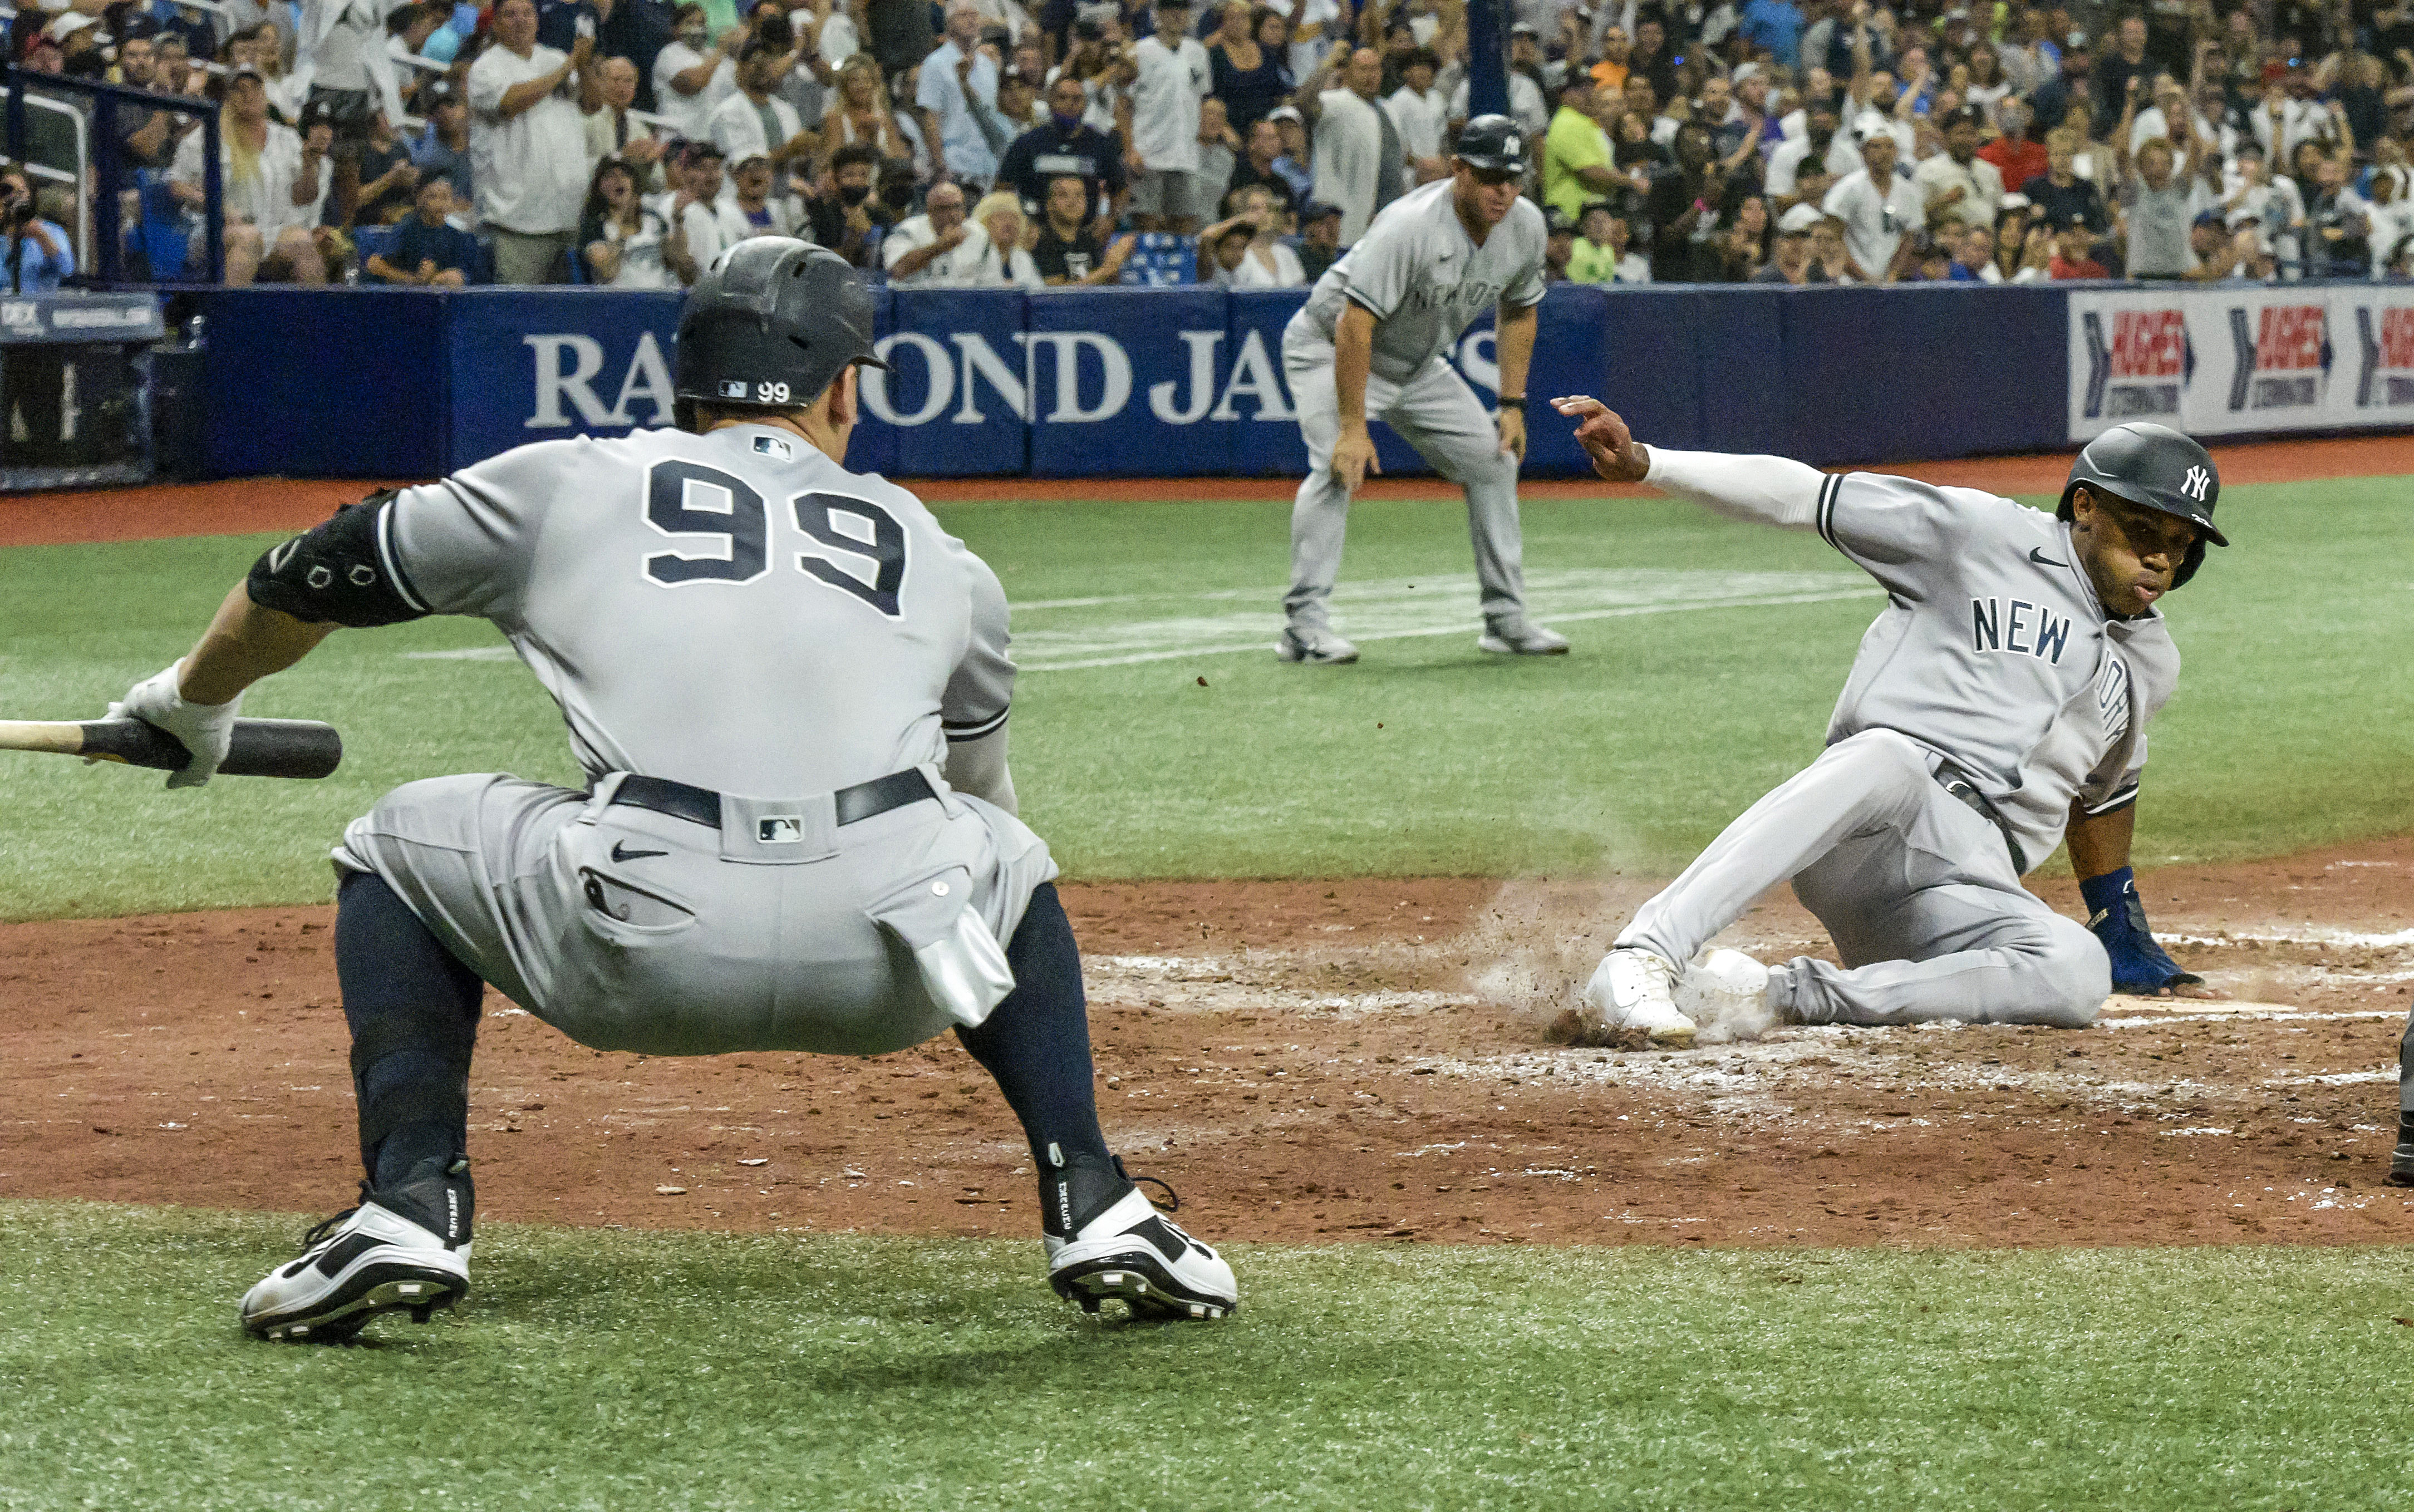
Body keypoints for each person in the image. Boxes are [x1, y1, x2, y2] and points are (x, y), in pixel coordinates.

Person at [106, 239, 1236, 1342]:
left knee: (393, 837)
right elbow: (986, 810)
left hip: (640, 941)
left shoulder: (566, 480)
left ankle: (408, 1206)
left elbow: (314, 571)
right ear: (842, 388)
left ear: (685, 382)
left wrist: (191, 700)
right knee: (1001, 848)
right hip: (887, 967)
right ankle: (1095, 1199)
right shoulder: (941, 553)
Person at [1553, 399, 2225, 1048]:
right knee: (1889, 759)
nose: (2160, 559)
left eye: (2179, 544)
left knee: (2077, 972)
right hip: (1871, 823)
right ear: (2085, 505)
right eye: (2143, 530)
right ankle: (1643, 955)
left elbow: (2105, 793)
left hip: (1965, 888)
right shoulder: (1980, 534)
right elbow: (1804, 496)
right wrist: (1650, 463)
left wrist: (2118, 928)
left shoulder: (2151, 660)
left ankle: (1769, 994)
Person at [1277, 117, 1564, 666]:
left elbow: (1519, 309)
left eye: (1512, 177)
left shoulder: (1524, 226)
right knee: (1337, 466)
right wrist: (1353, 427)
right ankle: (1302, 626)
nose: (1501, 189)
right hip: (1327, 346)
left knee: (1492, 461)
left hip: (1416, 364)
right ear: (1457, 170)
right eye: (1487, 176)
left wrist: (1511, 404)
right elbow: (1353, 324)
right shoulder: (1408, 226)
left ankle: (1504, 620)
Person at [469, 0, 593, 284]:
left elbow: (593, 104)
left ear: (537, 21)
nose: (520, 21)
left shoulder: (554, 57)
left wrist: (583, 66)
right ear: (496, 23)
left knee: (565, 319)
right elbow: (511, 102)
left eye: (527, 14)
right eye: (510, 15)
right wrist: (569, 65)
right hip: (515, 221)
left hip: (567, 214)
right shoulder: (486, 68)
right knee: (517, 314)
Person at [168, 69, 329, 287]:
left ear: (265, 95)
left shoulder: (287, 139)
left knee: (302, 240)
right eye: (240, 89)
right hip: (216, 233)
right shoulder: (206, 137)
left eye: (255, 88)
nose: (248, 94)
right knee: (248, 238)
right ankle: (228, 317)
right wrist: (218, 206)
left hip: (270, 232)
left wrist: (309, 164)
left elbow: (304, 198)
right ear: (228, 97)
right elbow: (176, 186)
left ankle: (315, 319)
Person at [1296, 46, 1400, 243]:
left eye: (1375, 69)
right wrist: (1327, 65)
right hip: (1341, 222)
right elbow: (1303, 102)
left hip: (1385, 218)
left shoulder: (1389, 109)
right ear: (1348, 72)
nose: (1370, 75)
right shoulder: (1334, 102)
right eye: (1363, 69)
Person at [1124, 0, 1213, 232]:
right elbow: (1123, 104)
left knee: (1185, 224)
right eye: (1171, 9)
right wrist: (1130, 149)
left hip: (1185, 154)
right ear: (1159, 14)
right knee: (1146, 223)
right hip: (1148, 151)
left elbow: (1201, 99)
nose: (1177, 15)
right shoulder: (1140, 51)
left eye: (1182, 9)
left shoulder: (1198, 52)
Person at [996, 75, 1129, 225]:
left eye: (1076, 99)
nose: (1070, 104)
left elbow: (1120, 189)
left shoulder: (1101, 144)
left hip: (1085, 232)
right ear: (1051, 102)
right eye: (1062, 98)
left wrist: (1110, 222)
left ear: (1085, 104)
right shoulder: (1028, 143)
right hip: (1037, 230)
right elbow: (1003, 187)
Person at [920, 1, 1006, 188]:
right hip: (955, 164)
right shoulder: (935, 64)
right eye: (963, 16)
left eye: (974, 15)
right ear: (949, 23)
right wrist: (941, 167)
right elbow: (931, 119)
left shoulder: (988, 66)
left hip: (989, 164)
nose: (971, 21)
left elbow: (993, 115)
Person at [1821, 124, 1920, 282]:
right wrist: (1862, 276)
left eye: (1889, 147)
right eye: (1876, 147)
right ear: (1864, 153)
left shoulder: (1909, 192)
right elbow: (1833, 237)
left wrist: (1893, 274)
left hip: (1891, 283)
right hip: (1850, 281)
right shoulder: (1848, 188)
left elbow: (1909, 239)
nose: (1884, 153)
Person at [581, 154, 690, 285]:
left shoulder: (653, 219)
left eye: (625, 175)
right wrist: (621, 226)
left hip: (663, 296)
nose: (619, 179)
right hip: (623, 300)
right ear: (599, 186)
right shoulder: (595, 226)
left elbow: (677, 260)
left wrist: (678, 219)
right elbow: (608, 273)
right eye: (611, 175)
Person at [651, 2, 742, 143]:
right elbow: (693, 84)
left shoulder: (715, 56)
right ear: (676, 29)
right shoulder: (670, 53)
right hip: (678, 141)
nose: (697, 28)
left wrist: (739, 47)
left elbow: (743, 84)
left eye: (701, 23)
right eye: (690, 23)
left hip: (712, 143)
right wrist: (720, 52)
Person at [366, 175, 478, 283]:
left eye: (445, 197)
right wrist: (415, 280)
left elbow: (465, 276)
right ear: (419, 199)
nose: (439, 204)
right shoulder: (406, 229)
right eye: (432, 197)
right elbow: (375, 265)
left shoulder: (459, 236)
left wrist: (439, 279)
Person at [584, 55, 669, 193]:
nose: (623, 88)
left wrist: (649, 165)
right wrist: (622, 158)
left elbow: (659, 184)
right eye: (616, 80)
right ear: (601, 83)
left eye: (629, 81)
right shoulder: (587, 119)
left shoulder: (639, 127)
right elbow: (574, 168)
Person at [1032, 172, 1138, 283]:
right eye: (1063, 195)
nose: (1073, 201)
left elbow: (1104, 284)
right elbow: (1057, 294)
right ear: (1049, 203)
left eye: (1079, 195)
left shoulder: (1089, 241)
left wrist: (1117, 261)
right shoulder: (1040, 242)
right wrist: (1108, 268)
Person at [883, 178, 991, 283]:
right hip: (914, 299)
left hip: (964, 299)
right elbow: (896, 271)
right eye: (944, 208)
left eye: (957, 207)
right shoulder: (908, 230)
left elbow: (991, 281)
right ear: (930, 211)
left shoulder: (979, 233)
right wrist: (940, 247)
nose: (953, 214)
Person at [1914, 105, 2003, 231]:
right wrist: (1944, 202)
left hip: (1986, 241)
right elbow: (1916, 217)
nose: (1966, 140)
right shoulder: (1928, 170)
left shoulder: (1990, 171)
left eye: (1971, 133)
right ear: (1947, 137)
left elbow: (1999, 209)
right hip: (1947, 244)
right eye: (1960, 133)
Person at [803, 144, 886, 267]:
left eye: (864, 175)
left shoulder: (876, 215)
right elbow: (833, 264)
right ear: (835, 178)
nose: (857, 182)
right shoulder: (825, 213)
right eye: (849, 175)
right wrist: (853, 236)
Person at [2, 163, 76, 294]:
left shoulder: (52, 231)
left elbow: (67, 269)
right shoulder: (2, 239)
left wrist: (42, 237)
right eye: (6, 191)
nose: (13, 197)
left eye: (20, 192)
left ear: (29, 195)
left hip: (40, 308)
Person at [965, 190, 1045, 286]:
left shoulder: (1023, 258)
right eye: (1000, 217)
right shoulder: (976, 255)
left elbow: (1038, 291)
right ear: (984, 222)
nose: (1009, 223)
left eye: (1014, 218)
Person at [1751, 201, 1827, 283]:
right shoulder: (1764, 281)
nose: (1797, 243)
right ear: (1778, 242)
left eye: (1804, 236)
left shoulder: (1823, 279)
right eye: (1789, 237)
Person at [1296, 197, 1343, 279]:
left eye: (1336, 224)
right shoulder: (1298, 258)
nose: (1332, 229)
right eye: (1325, 224)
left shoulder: (1340, 260)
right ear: (1309, 229)